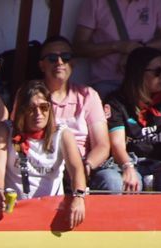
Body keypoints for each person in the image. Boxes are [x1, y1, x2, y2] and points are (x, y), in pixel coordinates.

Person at [0, 79, 89, 221]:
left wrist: (79, 197)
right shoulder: (5, 129)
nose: (38, 113)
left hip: (51, 212)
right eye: (31, 109)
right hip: (14, 212)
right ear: (21, 110)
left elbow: (76, 170)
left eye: (44, 107)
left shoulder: (63, 134)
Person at [35, 34, 119, 195]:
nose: (59, 62)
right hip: (43, 167)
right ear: (42, 65)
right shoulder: (32, 96)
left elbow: (102, 145)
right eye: (52, 58)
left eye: (65, 57)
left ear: (73, 63)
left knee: (112, 181)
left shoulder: (88, 95)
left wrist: (86, 165)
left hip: (85, 165)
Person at [105, 43, 161, 191]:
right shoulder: (116, 101)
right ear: (139, 72)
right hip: (132, 163)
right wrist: (128, 167)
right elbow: (117, 144)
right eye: (157, 72)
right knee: (121, 183)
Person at [75, 0, 161, 90]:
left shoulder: (155, 2)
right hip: (108, 82)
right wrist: (116, 47)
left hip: (143, 84)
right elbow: (79, 47)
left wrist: (137, 49)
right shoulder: (95, 2)